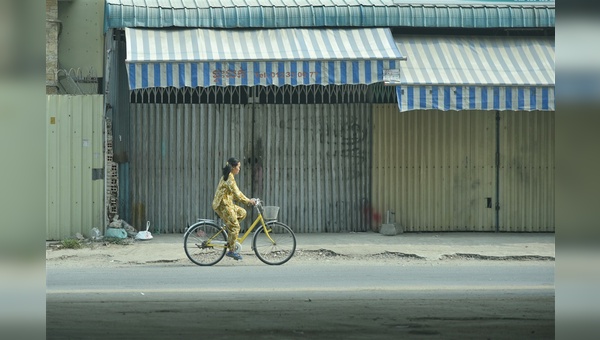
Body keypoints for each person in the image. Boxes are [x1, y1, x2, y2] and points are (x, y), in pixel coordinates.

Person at [212, 157, 256, 261]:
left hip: (228, 204)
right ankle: (231, 251)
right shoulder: (229, 178)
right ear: (233, 167)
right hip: (223, 205)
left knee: (243, 212)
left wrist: (247, 200)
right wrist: (249, 201)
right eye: (238, 167)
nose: (239, 169)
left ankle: (230, 231)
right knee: (236, 227)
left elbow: (236, 194)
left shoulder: (229, 176)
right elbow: (237, 193)